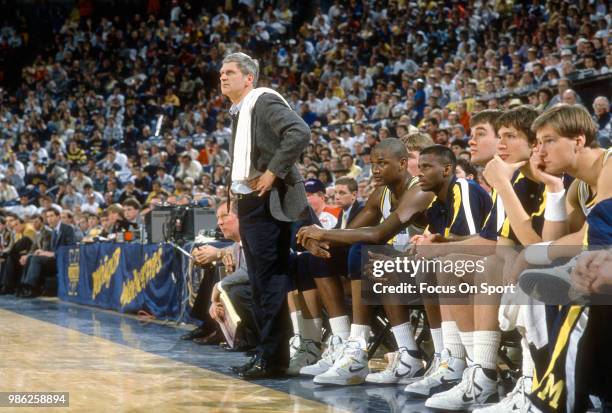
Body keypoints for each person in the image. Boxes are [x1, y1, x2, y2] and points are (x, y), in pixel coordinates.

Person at [297, 138, 433, 386]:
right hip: (392, 266)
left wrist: (323, 233)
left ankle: (362, 350)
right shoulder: (380, 194)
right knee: (317, 260)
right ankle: (342, 343)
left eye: (382, 163)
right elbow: (349, 232)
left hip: (427, 267)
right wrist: (317, 242)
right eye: (373, 164)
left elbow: (378, 234)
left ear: (402, 164)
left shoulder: (419, 189)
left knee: (364, 250)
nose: (376, 170)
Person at [220, 52, 310, 379]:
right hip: (251, 201)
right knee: (259, 283)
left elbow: (299, 132)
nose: (222, 77)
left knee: (269, 281)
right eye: (221, 73)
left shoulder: (263, 100)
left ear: (249, 78)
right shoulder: (241, 111)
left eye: (230, 72)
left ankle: (273, 359)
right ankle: (264, 352)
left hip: (269, 200)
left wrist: (273, 171)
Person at [20, 208, 76, 298]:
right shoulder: (54, 231)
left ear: (58, 217)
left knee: (35, 259)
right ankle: (23, 285)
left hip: (62, 260)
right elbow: (51, 250)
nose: (49, 219)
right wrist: (44, 252)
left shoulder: (68, 229)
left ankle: (31, 287)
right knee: (31, 257)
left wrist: (53, 254)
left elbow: (71, 248)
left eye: (51, 216)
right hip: (54, 260)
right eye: (47, 217)